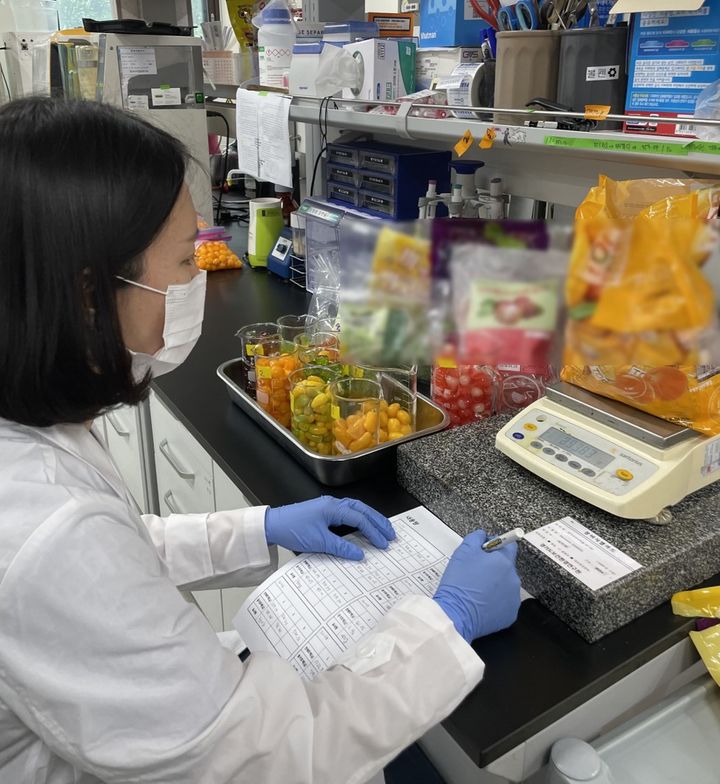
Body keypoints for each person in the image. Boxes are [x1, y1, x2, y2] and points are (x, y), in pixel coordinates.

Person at [0, 97, 521, 784]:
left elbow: (116, 555)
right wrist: (445, 624)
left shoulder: (32, 438)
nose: (197, 280)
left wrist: (263, 529)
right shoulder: (49, 526)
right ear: (91, 295)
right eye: (185, 263)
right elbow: (265, 763)